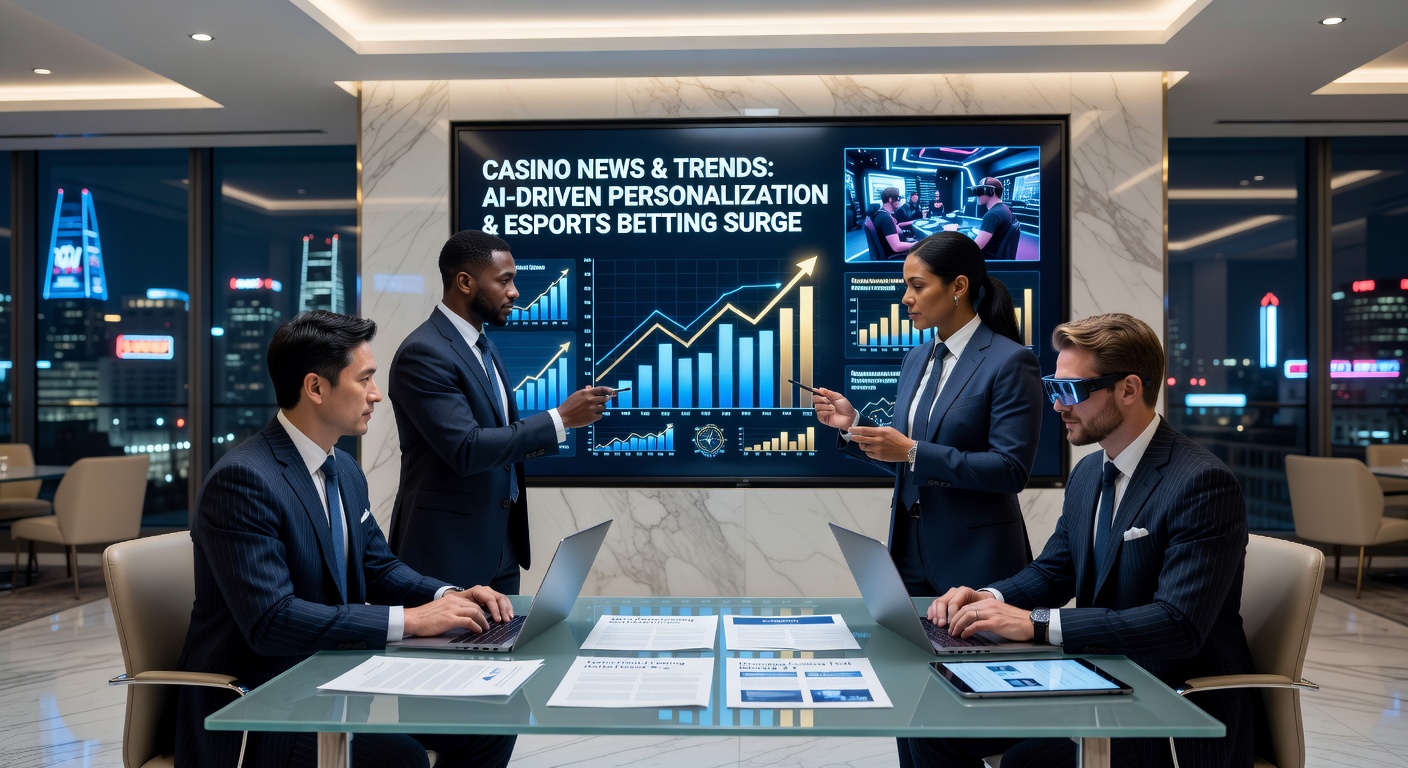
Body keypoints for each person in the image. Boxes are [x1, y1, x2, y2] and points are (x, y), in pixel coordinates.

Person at [176, 311, 517, 768]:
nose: (377, 393)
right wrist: (410, 620)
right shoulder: (243, 480)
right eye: (364, 379)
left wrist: (447, 596)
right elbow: (272, 621)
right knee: (400, 758)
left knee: (489, 723)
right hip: (259, 711)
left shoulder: (344, 469)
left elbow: (379, 566)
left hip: (334, 685)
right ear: (315, 388)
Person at [914, 313, 1256, 768]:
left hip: (1173, 710)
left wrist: (1038, 623)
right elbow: (1054, 571)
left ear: (1128, 389)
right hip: (1099, 682)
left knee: (1028, 762)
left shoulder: (1201, 483)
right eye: (1054, 387)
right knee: (931, 725)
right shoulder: (1090, 472)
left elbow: (1177, 624)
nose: (1058, 405)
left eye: (1071, 390)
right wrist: (989, 598)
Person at [812, 232, 1042, 767]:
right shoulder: (918, 357)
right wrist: (852, 428)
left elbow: (1010, 470)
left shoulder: (1010, 361)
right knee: (909, 699)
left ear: (958, 287)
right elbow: (908, 461)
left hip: (977, 561)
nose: (906, 298)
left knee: (963, 714)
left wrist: (914, 450)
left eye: (917, 286)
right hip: (909, 554)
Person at [389, 229, 613, 593]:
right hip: (446, 554)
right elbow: (466, 448)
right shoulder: (423, 353)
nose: (515, 292)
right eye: (504, 280)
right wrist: (560, 419)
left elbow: (500, 439)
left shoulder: (486, 347)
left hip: (501, 550)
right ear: (465, 282)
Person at [970, 176, 1014, 259]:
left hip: (985, 259)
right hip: (996, 255)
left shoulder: (992, 215)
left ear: (991, 191)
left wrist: (953, 233)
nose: (977, 195)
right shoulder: (1004, 208)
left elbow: (975, 247)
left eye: (980, 191)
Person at [870, 186, 917, 259]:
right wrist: (917, 244)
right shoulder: (886, 219)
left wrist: (894, 225)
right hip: (896, 255)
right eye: (897, 198)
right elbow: (897, 247)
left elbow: (898, 231)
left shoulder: (880, 213)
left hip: (890, 250)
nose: (899, 201)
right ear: (890, 199)